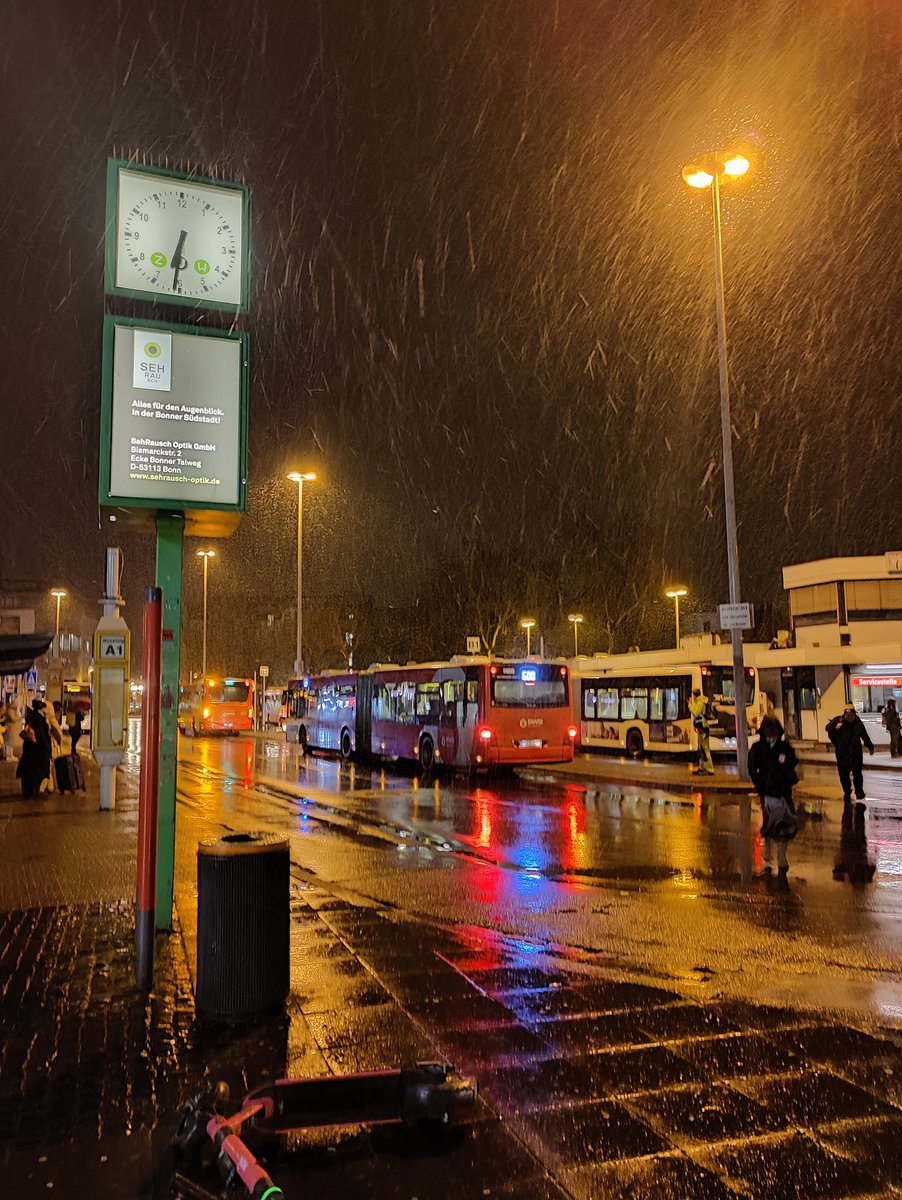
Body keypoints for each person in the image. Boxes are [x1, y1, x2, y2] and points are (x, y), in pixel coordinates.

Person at [748, 716, 799, 872]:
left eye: (773, 730)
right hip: (768, 794)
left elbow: (792, 764)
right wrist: (759, 784)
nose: (770, 733)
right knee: (770, 824)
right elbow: (751, 767)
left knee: (784, 826)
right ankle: (768, 849)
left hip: (783, 793)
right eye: (767, 730)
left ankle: (782, 858)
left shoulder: (785, 748)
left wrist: (789, 776)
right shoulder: (758, 748)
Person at [826, 703, 874, 804]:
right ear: (844, 714)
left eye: (852, 716)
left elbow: (864, 735)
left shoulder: (858, 722)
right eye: (848, 716)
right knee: (843, 774)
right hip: (842, 753)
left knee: (857, 774)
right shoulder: (838, 720)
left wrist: (870, 747)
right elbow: (827, 728)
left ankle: (859, 792)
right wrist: (835, 727)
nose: (850, 718)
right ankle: (847, 791)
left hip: (855, 753)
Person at [16, 699, 53, 798]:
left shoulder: (31, 717)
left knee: (30, 771)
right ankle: (33, 791)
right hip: (39, 750)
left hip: (30, 749)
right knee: (38, 772)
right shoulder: (40, 720)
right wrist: (48, 749)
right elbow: (43, 736)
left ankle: (29, 790)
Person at [689, 688, 714, 774]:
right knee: (702, 749)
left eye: (693, 695)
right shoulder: (701, 701)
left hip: (703, 727)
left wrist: (690, 705)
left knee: (705, 748)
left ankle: (709, 769)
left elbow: (696, 712)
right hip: (702, 727)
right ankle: (702, 768)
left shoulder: (700, 702)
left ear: (695, 695)